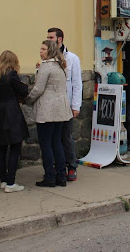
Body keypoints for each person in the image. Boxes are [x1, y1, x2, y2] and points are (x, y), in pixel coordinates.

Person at [26, 40, 72, 187]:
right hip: (60, 110)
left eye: (43, 49)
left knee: (46, 144)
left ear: (50, 51)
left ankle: (50, 176)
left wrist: (28, 100)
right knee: (57, 142)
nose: (40, 51)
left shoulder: (47, 67)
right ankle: (61, 176)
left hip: (47, 110)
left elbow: (38, 89)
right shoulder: (61, 65)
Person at [0, 51, 29, 193]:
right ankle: (11, 182)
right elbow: (23, 90)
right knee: (15, 147)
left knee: (0, 148)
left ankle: (3, 179)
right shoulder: (11, 75)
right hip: (11, 113)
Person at [46, 28, 82, 182]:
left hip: (66, 104)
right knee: (53, 137)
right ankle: (56, 166)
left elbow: (77, 83)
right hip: (52, 104)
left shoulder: (72, 58)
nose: (48, 39)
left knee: (66, 137)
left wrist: (76, 105)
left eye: (51, 37)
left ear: (59, 39)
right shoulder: (47, 57)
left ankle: (71, 166)